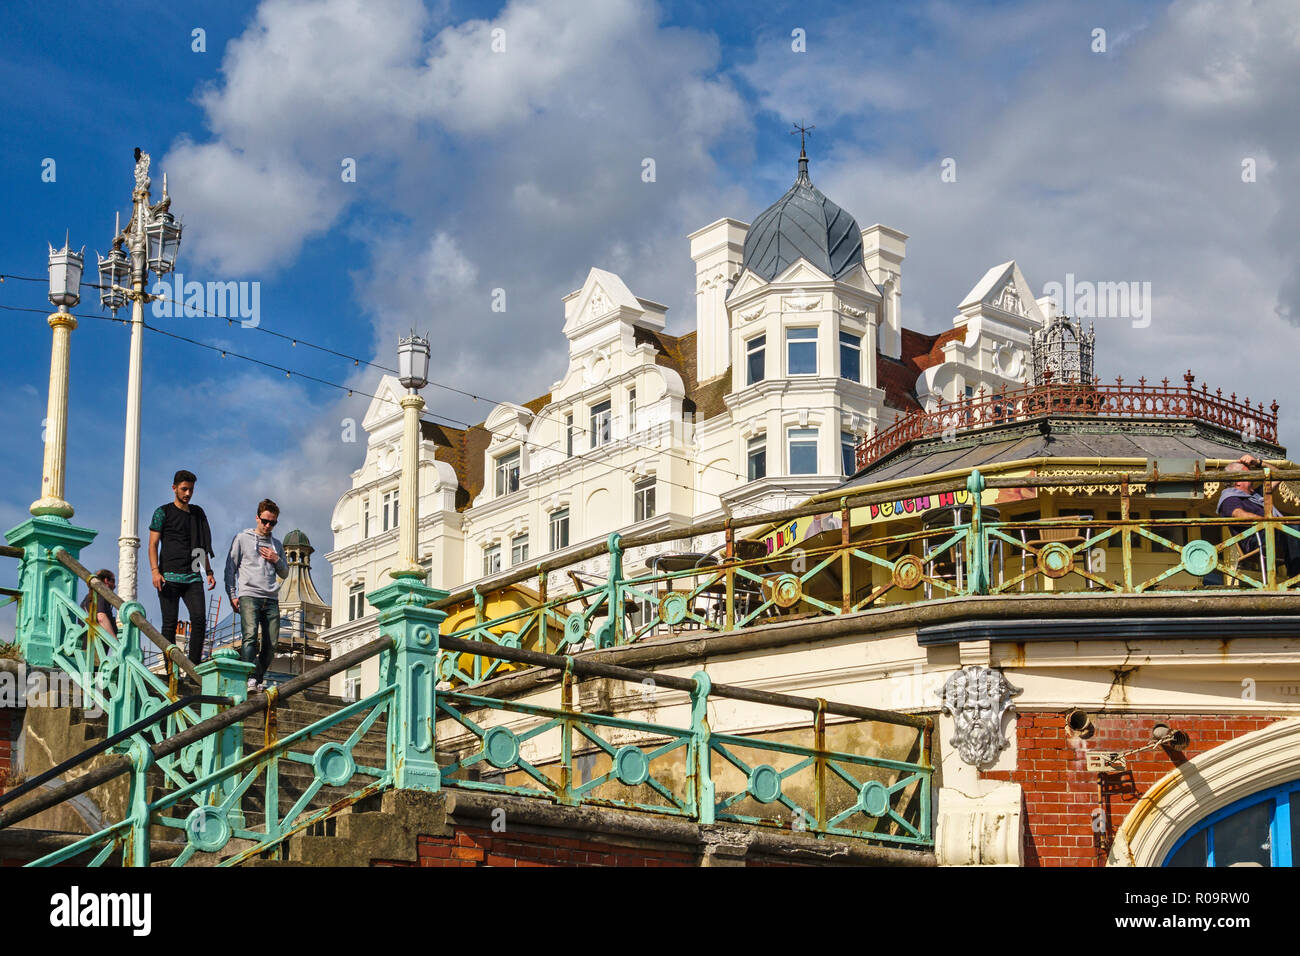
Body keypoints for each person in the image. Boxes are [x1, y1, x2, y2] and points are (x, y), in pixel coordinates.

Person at [149, 469, 216, 663]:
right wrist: (155, 572)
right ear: (174, 488)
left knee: (199, 620)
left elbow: (201, 545)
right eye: (184, 489)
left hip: (193, 574)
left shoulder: (197, 513)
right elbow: (153, 545)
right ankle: (171, 668)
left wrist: (208, 571)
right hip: (168, 576)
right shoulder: (162, 512)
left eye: (191, 490)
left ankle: (194, 666)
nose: (188, 494)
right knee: (169, 624)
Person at [224, 499, 289, 690]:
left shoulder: (276, 544)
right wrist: (232, 594)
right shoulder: (242, 538)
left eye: (272, 523)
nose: (268, 526)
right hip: (249, 594)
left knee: (272, 644)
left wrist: (276, 559)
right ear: (257, 518)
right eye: (265, 521)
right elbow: (230, 568)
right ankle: (248, 679)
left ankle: (257, 679)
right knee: (250, 636)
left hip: (271, 598)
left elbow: (284, 573)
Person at [1217, 458, 1300, 578]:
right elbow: (1239, 515)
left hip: (1273, 532)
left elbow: (1278, 475)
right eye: (1249, 474)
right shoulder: (1230, 498)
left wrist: (1258, 462)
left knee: (1294, 528)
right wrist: (1269, 521)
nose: (1253, 476)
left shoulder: (1256, 495)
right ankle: (1296, 577)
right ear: (1238, 481)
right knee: (1294, 527)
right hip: (1256, 540)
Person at [81, 569, 118, 637]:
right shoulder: (102, 594)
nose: (114, 586)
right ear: (106, 580)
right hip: (95, 644)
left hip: (86, 642)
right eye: (113, 581)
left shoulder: (87, 599)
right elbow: (101, 617)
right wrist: (115, 642)